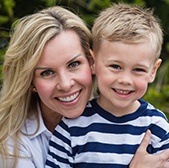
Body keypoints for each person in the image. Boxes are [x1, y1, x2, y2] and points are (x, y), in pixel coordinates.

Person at [45, 3, 169, 168]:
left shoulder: (157, 127)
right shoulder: (71, 128)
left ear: (153, 71)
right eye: (115, 67)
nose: (125, 80)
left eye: (138, 69)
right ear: (93, 62)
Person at [0, 6, 93, 168]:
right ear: (30, 82)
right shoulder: (10, 142)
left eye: (74, 64)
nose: (65, 84)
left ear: (91, 62)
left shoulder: (130, 120)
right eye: (47, 72)